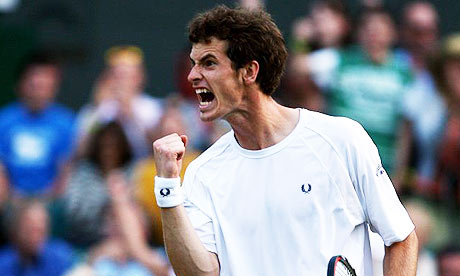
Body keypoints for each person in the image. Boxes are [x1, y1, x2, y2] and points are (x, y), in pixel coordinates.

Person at [152, 5, 418, 276]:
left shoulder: (342, 141)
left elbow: (401, 239)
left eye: (209, 63)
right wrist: (168, 187)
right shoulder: (202, 172)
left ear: (249, 72)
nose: (192, 75)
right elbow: (199, 273)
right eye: (194, 63)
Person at [0, 51, 76, 197]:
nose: (39, 90)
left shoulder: (66, 122)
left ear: (55, 87)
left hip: (50, 200)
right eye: (34, 84)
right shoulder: (4, 120)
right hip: (10, 199)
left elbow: (66, 170)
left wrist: (48, 201)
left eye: (45, 85)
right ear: (20, 84)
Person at [397, 1, 447, 195]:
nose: (422, 38)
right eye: (416, 30)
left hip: (430, 182)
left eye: (429, 31)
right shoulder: (391, 65)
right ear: (403, 31)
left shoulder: (443, 75)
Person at [0, 199, 74, 276]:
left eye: (40, 230)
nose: (36, 236)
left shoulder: (62, 257)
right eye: (30, 229)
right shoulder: (3, 264)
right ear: (16, 229)